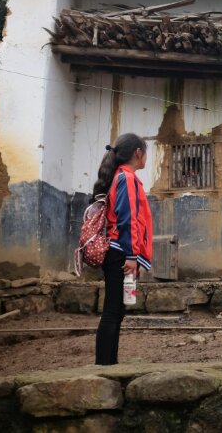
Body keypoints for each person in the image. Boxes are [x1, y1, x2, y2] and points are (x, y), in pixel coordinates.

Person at [93, 133, 153, 365]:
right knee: (113, 311)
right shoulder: (126, 178)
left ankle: (109, 362)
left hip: (119, 251)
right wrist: (131, 255)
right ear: (138, 153)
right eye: (146, 152)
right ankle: (104, 364)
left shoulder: (120, 177)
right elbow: (128, 219)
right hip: (121, 252)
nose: (146, 156)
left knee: (116, 311)